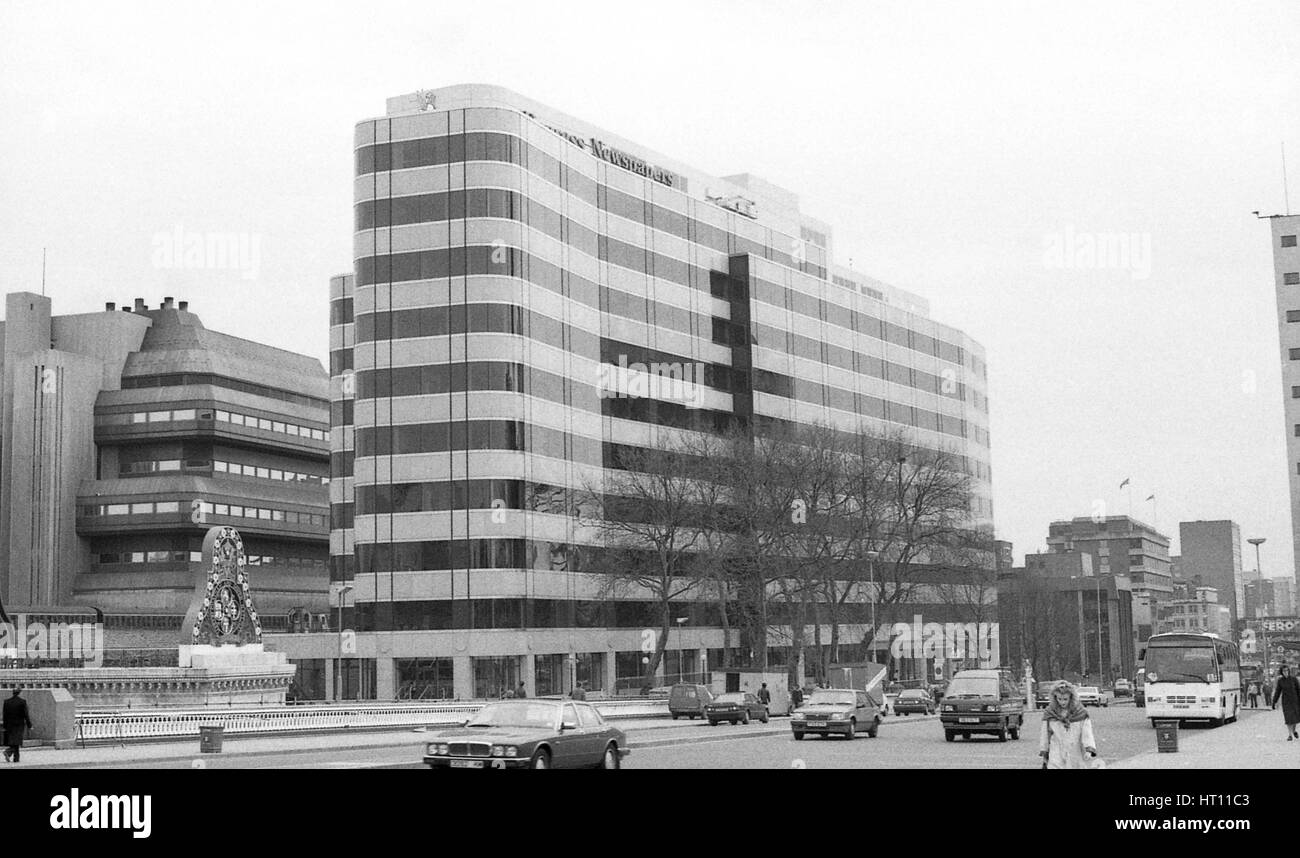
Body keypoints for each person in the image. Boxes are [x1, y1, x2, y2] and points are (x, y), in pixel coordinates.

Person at [1039, 681, 1098, 769]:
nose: (1062, 702)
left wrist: (1088, 749)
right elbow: (1045, 734)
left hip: (1076, 751)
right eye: (1059, 699)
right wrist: (1045, 752)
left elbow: (1087, 733)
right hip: (1056, 752)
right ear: (1055, 698)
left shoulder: (1080, 713)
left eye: (1065, 699)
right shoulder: (1050, 713)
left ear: (1071, 697)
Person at [2, 688, 33, 764]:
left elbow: (4, 715)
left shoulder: (7, 702)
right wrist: (29, 725)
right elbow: (26, 715)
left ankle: (16, 758)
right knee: (17, 741)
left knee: (14, 741)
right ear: (19, 693)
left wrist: (5, 725)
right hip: (19, 724)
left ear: (13, 693)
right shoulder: (22, 702)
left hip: (9, 724)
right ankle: (8, 751)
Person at [1272, 666, 1300, 740]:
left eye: (1287, 671)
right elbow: (1278, 691)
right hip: (1286, 702)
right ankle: (1290, 735)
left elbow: (1298, 690)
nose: (1286, 672)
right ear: (1282, 672)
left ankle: (1294, 731)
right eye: (1284, 671)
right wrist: (1274, 701)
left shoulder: (1294, 679)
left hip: (1295, 701)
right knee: (1288, 718)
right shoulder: (1280, 681)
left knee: (1295, 719)